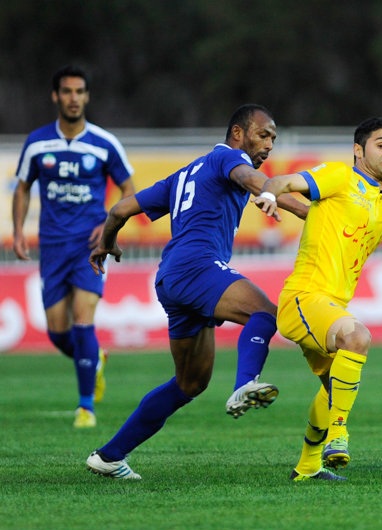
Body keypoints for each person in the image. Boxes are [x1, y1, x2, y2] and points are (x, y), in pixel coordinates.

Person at [84, 104, 308, 479]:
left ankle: (109, 456)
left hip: (173, 277)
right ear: (238, 133)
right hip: (197, 267)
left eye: (273, 138)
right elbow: (254, 180)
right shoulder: (228, 158)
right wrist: (308, 212)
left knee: (190, 383)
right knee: (267, 312)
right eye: (263, 134)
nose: (269, 143)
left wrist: (105, 243)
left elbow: (121, 209)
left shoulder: (186, 173)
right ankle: (245, 384)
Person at [253, 117, 382, 481]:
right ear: (359, 151)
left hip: (329, 308)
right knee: (357, 337)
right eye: (381, 144)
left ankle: (307, 467)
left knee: (332, 389)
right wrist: (268, 193)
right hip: (304, 297)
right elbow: (284, 181)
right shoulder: (340, 177)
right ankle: (339, 435)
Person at [12, 65, 136, 428]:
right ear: (56, 96)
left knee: (83, 322)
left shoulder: (104, 143)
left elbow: (130, 191)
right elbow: (22, 187)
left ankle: (86, 408)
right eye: (66, 91)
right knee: (56, 331)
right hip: (52, 245)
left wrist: (108, 224)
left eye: (79, 91)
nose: (73, 98)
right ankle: (94, 361)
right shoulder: (37, 142)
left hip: (89, 246)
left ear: (87, 97)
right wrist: (18, 230)